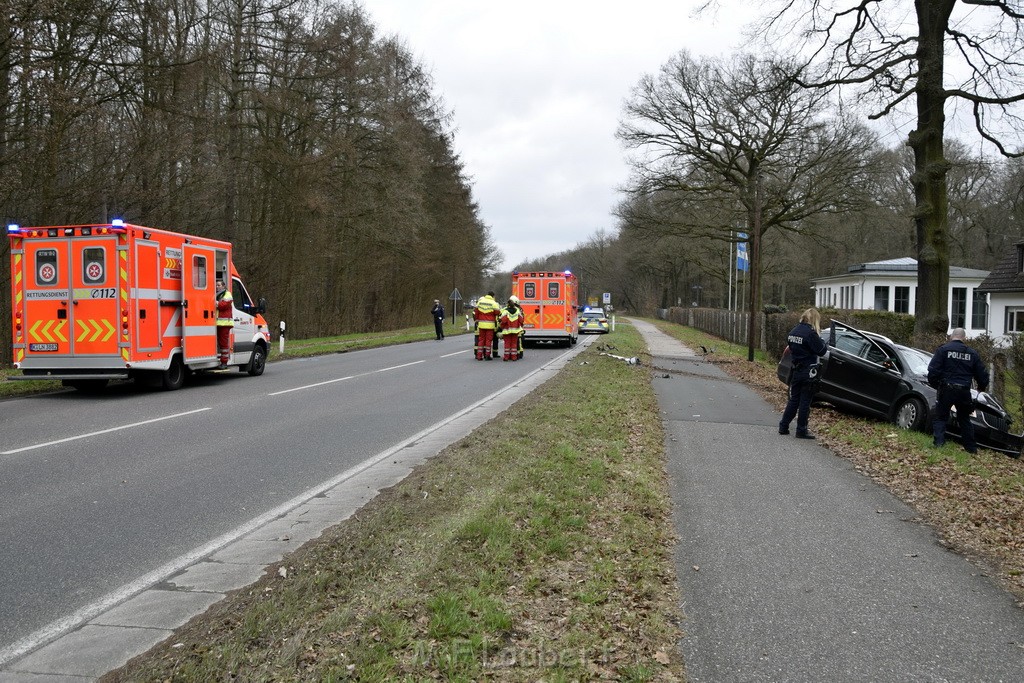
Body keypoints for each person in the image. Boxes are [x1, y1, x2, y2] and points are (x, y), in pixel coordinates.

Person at [927, 328, 989, 454]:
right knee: (964, 418)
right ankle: (971, 448)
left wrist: (936, 385)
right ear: (964, 338)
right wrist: (981, 387)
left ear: (951, 336)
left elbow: (933, 370)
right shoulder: (972, 353)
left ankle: (939, 443)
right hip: (964, 391)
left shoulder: (943, 350)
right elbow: (982, 375)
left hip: (947, 388)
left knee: (941, 417)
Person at [779, 308, 828, 439]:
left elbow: (790, 345)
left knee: (794, 399)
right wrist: (822, 340)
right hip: (808, 371)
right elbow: (822, 350)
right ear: (814, 320)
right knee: (805, 401)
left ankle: (783, 426)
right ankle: (801, 430)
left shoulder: (793, 331)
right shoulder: (811, 334)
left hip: (796, 369)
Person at [473, 291, 500, 360]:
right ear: (493, 296)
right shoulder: (493, 303)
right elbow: (497, 312)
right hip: (490, 325)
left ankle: (479, 356)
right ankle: (487, 355)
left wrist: (477, 320)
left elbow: (476, 312)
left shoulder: (480, 302)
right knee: (488, 340)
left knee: (481, 340)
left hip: (481, 324)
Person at [215, 279, 234, 369]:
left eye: (219, 285)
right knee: (219, 343)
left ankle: (224, 363)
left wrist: (216, 303)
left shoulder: (227, 294)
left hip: (224, 323)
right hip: (218, 323)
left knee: (223, 344)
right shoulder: (217, 294)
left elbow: (223, 305)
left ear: (223, 286)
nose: (217, 287)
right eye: (216, 285)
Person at [499, 296, 524, 361]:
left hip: (507, 331)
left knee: (507, 344)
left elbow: (503, 321)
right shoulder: (518, 311)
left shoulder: (505, 311)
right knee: (514, 344)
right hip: (515, 330)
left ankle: (506, 357)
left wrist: (501, 327)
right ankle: (514, 357)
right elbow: (521, 320)